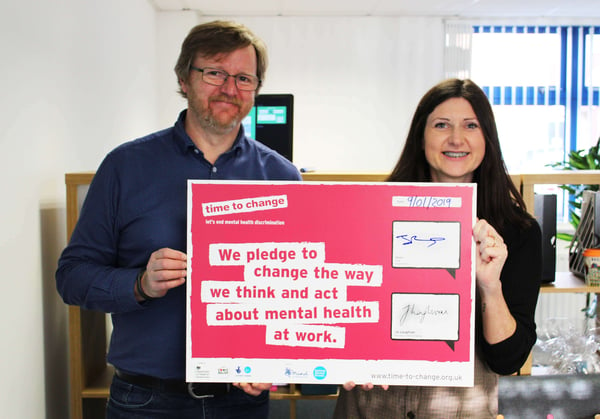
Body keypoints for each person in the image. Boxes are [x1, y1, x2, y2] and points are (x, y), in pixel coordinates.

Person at [56, 20, 301, 419]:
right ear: (184, 79)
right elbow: (71, 277)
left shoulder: (283, 178)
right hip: (145, 401)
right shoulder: (125, 166)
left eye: (243, 78)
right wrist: (139, 283)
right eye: (214, 73)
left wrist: (275, 363)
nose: (229, 88)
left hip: (242, 401)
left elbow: (298, 287)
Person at [334, 78, 542, 419]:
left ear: (486, 138)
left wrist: (489, 285)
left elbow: (508, 360)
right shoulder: (369, 214)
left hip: (461, 407)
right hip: (371, 404)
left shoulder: (518, 232)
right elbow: (343, 306)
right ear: (422, 136)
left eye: (470, 126)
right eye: (441, 125)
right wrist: (346, 358)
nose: (456, 139)